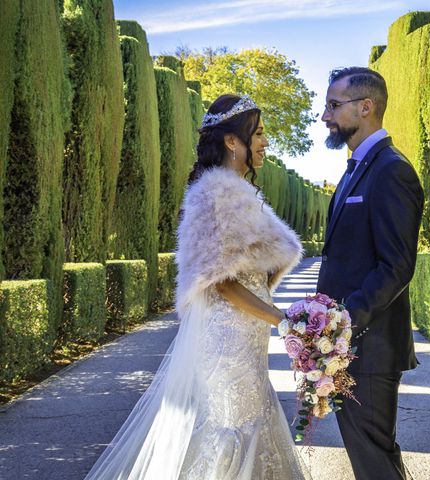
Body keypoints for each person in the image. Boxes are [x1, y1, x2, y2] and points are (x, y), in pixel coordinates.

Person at [85, 94, 311, 480]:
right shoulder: (216, 193)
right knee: (232, 430)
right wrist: (281, 318)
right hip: (226, 340)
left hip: (246, 337)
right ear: (231, 141)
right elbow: (220, 282)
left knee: (251, 423)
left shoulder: (239, 192)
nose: (265, 142)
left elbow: (253, 270)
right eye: (258, 133)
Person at [316, 67, 424, 480]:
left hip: (369, 345)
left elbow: (396, 265)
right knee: (373, 458)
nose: (325, 116)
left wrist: (344, 321)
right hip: (349, 345)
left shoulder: (391, 169)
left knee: (374, 461)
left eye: (333, 105)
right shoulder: (357, 166)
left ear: (366, 107)